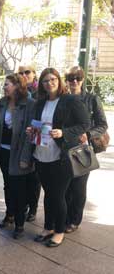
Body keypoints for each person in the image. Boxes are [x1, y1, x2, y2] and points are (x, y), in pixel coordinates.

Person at [27, 67, 89, 247]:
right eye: (45, 81)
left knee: (58, 195)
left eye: (53, 79)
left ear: (59, 80)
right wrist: (32, 131)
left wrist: (64, 132)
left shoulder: (70, 100)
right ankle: (48, 228)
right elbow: (39, 124)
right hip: (41, 154)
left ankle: (59, 231)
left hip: (61, 156)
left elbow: (85, 124)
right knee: (48, 194)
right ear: (41, 84)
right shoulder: (40, 102)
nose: (49, 83)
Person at [64, 66, 108, 233]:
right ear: (66, 80)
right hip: (64, 147)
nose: (74, 81)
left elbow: (103, 124)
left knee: (78, 186)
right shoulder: (63, 98)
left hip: (82, 149)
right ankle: (64, 217)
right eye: (70, 78)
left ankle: (74, 220)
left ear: (82, 79)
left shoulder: (92, 98)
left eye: (78, 78)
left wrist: (88, 135)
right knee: (64, 186)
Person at [0, 74, 35, 238]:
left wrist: (26, 157)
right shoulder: (2, 102)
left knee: (19, 189)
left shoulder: (29, 104)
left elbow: (29, 134)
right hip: (3, 151)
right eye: (4, 85)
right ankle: (9, 214)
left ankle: (19, 223)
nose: (4, 87)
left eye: (7, 84)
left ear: (18, 86)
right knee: (8, 186)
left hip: (19, 153)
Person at [17, 64, 41, 222]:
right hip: (21, 139)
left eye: (27, 72)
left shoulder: (40, 92)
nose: (24, 75)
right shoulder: (19, 92)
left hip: (37, 139)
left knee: (34, 177)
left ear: (34, 74)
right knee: (23, 176)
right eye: (21, 73)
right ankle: (23, 205)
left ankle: (32, 208)